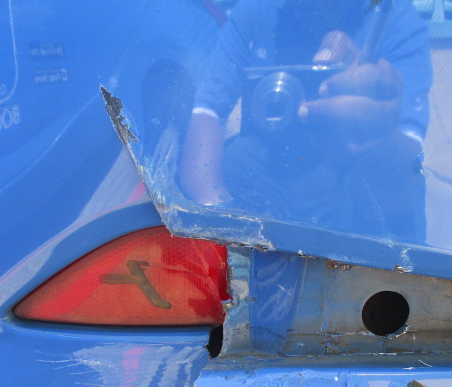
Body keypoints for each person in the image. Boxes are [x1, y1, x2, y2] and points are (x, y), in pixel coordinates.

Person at [179, 0, 432, 241]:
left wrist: (378, 137)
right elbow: (208, 109)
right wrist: (216, 209)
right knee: (239, 157)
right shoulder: (255, 10)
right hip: (263, 169)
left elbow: (408, 161)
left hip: (348, 183)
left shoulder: (393, 19)